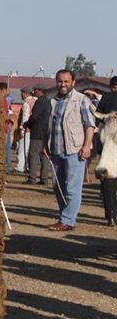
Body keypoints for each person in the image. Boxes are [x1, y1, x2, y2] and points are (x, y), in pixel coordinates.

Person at [46, 69, 96, 231]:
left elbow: (90, 125)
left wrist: (86, 146)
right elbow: (50, 127)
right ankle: (64, 217)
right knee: (57, 186)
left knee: (72, 187)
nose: (63, 84)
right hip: (56, 150)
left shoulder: (81, 100)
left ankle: (68, 220)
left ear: (73, 83)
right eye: (60, 81)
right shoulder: (53, 101)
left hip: (74, 150)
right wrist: (45, 145)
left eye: (66, 81)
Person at [97, 76, 117, 226]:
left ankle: (110, 215)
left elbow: (98, 118)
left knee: (107, 182)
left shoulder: (106, 97)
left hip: (107, 146)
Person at [25, 84, 52, 185]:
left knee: (33, 155)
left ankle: (32, 178)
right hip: (46, 132)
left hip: (37, 132)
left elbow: (34, 116)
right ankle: (44, 179)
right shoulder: (48, 101)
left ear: (40, 91)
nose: (34, 92)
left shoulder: (40, 101)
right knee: (44, 156)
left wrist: (27, 123)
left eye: (35, 90)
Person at [14, 87, 35, 174]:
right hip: (32, 129)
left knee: (22, 148)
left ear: (25, 93)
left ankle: (20, 167)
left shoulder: (26, 103)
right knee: (27, 149)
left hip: (26, 130)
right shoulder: (34, 101)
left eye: (22, 93)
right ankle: (26, 166)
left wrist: (22, 130)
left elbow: (25, 118)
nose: (21, 95)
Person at [0, 82, 14, 172]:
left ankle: (7, 165)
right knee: (5, 148)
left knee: (7, 147)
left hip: (6, 126)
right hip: (3, 127)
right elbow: (2, 113)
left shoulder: (4, 100)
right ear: (4, 89)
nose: (9, 91)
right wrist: (8, 118)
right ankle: (6, 166)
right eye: (8, 89)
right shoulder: (1, 100)